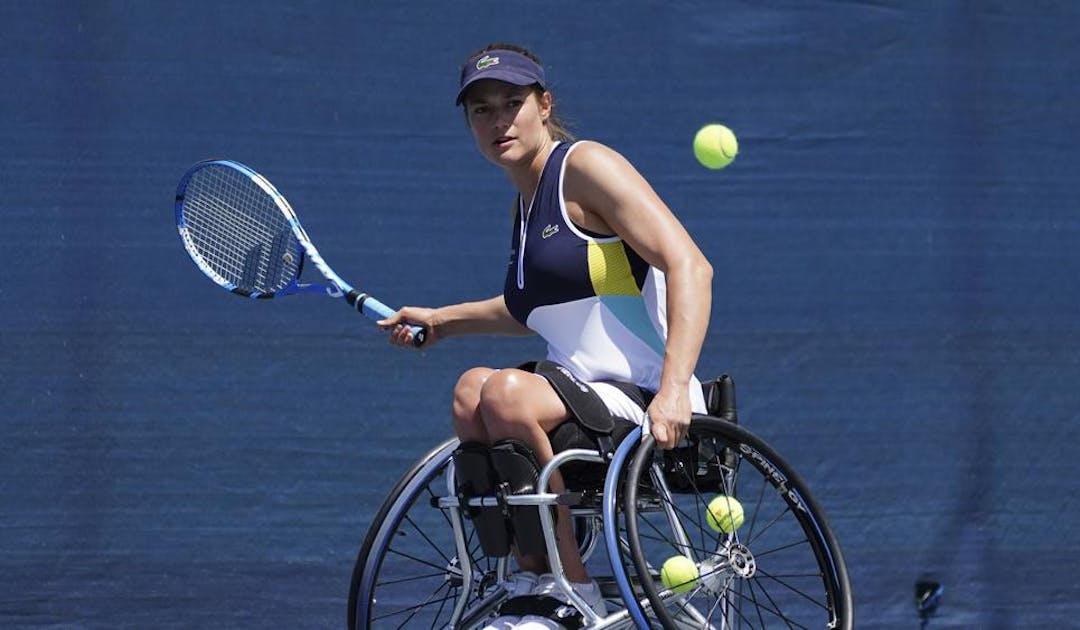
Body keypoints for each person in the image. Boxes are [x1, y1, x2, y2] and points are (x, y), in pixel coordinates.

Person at [379, 43, 713, 629]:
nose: (498, 120)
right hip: (579, 391)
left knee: (505, 392)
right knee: (469, 391)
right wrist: (442, 320)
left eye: (512, 103)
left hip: (643, 394)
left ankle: (571, 586)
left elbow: (691, 266)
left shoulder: (585, 168)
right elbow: (529, 309)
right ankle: (531, 579)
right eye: (481, 110)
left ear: (544, 105)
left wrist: (676, 387)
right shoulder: (527, 202)